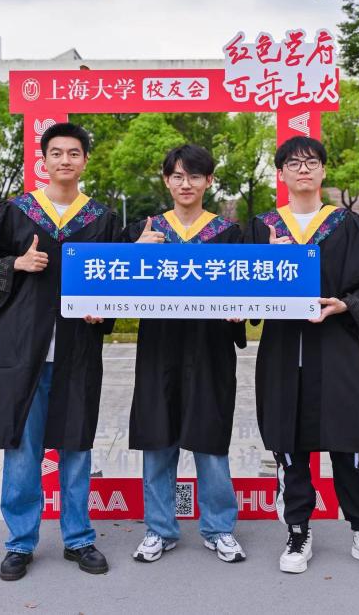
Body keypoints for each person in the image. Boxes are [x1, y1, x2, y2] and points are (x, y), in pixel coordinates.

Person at [244, 135, 359, 574]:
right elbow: (244, 292)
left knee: (348, 440)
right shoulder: (262, 228)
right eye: (293, 163)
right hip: (282, 351)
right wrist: (267, 264)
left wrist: (343, 305)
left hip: (333, 348)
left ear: (323, 171)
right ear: (281, 174)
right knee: (289, 442)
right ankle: (298, 532)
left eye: (311, 162)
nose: (303, 169)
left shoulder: (347, 224)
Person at [0, 122, 121, 581]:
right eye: (56, 153)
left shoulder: (100, 218)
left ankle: (79, 538)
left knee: (76, 443)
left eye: (73, 153)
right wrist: (16, 263)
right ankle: (20, 543)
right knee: (22, 445)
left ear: (85, 161)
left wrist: (101, 310)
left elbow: (115, 278)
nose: (65, 160)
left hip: (77, 349)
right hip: (23, 349)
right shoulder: (16, 211)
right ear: (44, 159)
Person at [122, 144, 247, 564]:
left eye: (195, 176)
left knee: (210, 440)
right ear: (166, 180)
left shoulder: (228, 234)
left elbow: (248, 290)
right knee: (158, 439)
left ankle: (219, 528)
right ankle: (160, 529)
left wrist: (241, 310)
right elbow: (113, 286)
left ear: (209, 181)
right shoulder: (147, 232)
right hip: (159, 350)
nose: (186, 184)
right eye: (177, 175)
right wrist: (134, 254)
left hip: (210, 350)